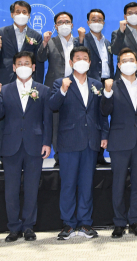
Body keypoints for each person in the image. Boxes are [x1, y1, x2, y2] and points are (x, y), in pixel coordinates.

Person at [0, 51, 52, 242]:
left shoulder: (43, 90)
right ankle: (13, 227)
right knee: (11, 189)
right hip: (11, 145)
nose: (23, 66)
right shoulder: (4, 90)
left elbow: (47, 119)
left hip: (35, 144)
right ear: (14, 67)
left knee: (32, 188)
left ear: (33, 67)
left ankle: (28, 226)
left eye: (27, 63)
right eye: (19, 63)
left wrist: (47, 142)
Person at [49, 46, 108, 240]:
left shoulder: (96, 84)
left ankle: (85, 223)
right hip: (69, 142)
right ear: (71, 62)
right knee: (68, 184)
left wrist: (104, 134)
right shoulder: (60, 83)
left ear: (89, 63)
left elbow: (101, 113)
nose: (81, 61)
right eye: (77, 58)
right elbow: (52, 105)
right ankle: (68, 224)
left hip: (91, 141)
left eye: (85, 58)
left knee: (86, 184)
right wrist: (63, 90)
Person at [101, 48, 137, 238]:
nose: (128, 63)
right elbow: (104, 112)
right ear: (119, 65)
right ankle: (119, 222)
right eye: (124, 60)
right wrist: (106, 93)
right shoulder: (111, 86)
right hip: (119, 141)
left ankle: (135, 221)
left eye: (132, 60)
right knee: (118, 184)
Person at [76, 8, 115, 167]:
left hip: (107, 82)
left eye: (99, 20)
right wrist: (80, 39)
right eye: (93, 20)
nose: (96, 23)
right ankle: (90, 154)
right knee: (92, 117)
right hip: (90, 82)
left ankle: (100, 154)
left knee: (103, 118)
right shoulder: (82, 39)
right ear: (88, 22)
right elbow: (77, 54)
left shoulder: (107, 42)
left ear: (104, 23)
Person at [37, 11, 75, 168]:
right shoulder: (51, 42)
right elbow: (40, 58)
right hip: (55, 86)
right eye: (60, 22)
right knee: (55, 122)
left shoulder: (80, 41)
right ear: (55, 26)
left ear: (72, 25)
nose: (64, 25)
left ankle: (74, 153)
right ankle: (58, 156)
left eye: (67, 22)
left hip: (75, 86)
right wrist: (44, 43)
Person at [0, 0, 44, 85]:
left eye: (24, 12)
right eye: (18, 12)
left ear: (29, 15)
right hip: (5, 78)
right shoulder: (2, 32)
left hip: (28, 79)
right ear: (12, 14)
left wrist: (38, 84)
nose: (21, 14)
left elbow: (39, 62)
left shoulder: (36, 36)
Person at [110, 2, 137, 84]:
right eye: (130, 13)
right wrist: (121, 32)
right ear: (125, 17)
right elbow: (115, 51)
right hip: (126, 79)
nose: (133, 16)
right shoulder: (118, 33)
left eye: (136, 13)